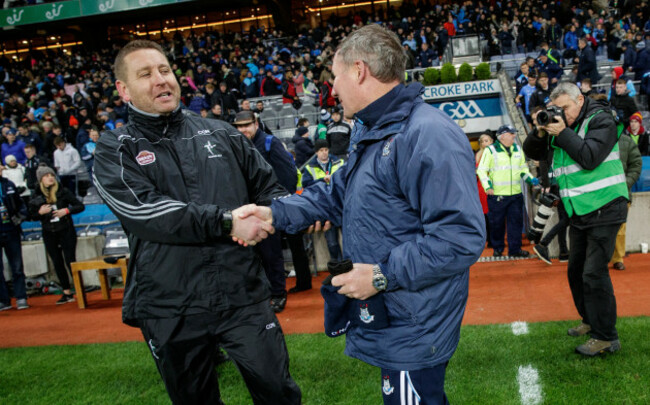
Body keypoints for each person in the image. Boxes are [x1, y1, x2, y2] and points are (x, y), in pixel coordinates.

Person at [238, 25, 485, 404]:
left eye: (334, 77)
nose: (332, 89)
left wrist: (383, 275)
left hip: (413, 319)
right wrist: (274, 213)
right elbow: (341, 192)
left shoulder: (427, 133)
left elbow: (460, 237)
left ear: (358, 71)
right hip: (398, 312)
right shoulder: (373, 129)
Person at [92, 40, 301, 404]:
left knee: (278, 392)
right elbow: (146, 212)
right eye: (145, 74)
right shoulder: (115, 148)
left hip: (243, 293)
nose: (160, 80)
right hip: (169, 304)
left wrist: (272, 215)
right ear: (123, 89)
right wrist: (227, 222)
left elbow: (270, 187)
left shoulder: (221, 132)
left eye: (164, 70)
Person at [523, 82, 628, 356]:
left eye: (566, 108)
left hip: (606, 205)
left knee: (594, 272)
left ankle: (606, 337)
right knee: (575, 270)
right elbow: (532, 151)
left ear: (580, 100)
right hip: (580, 210)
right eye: (557, 109)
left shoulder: (601, 118)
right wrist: (540, 129)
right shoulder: (561, 125)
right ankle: (590, 320)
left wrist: (563, 132)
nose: (562, 114)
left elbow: (590, 157)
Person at [232, 110, 304, 311]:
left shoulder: (269, 143)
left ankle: (278, 293)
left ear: (256, 123)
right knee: (254, 255)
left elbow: (289, 175)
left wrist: (278, 205)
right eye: (239, 126)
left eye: (246, 125)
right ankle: (263, 294)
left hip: (267, 208)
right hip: (247, 209)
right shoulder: (237, 145)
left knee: (271, 254)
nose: (242, 129)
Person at [477, 125, 538, 258]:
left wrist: (531, 180)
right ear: (502, 136)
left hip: (515, 195)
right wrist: (488, 187)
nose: (514, 136)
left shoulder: (518, 149)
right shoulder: (490, 150)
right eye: (511, 133)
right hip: (497, 195)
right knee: (497, 223)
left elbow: (523, 170)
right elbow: (481, 170)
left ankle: (515, 249)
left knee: (516, 223)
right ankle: (498, 248)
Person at [28, 165, 85, 305]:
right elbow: (31, 215)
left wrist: (66, 211)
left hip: (66, 230)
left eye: (52, 175)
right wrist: (40, 213)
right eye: (47, 176)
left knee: (70, 260)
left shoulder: (63, 191)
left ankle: (79, 290)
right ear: (41, 179)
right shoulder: (36, 195)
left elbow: (80, 205)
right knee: (57, 262)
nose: (50, 178)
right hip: (49, 232)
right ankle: (66, 292)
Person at [302, 139, 344, 262]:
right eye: (321, 150)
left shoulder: (339, 162)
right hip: (326, 209)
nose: (324, 153)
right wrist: (322, 181)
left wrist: (334, 179)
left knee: (349, 241)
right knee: (332, 243)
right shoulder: (310, 168)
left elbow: (346, 177)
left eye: (326, 149)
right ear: (316, 152)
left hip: (341, 205)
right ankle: (338, 268)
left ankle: (350, 268)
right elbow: (306, 186)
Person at [609, 129, 642, 270]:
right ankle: (600, 259)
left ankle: (618, 259)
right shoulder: (594, 141)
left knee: (620, 228)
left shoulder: (626, 141)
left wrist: (625, 183)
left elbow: (636, 164)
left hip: (622, 194)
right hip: (598, 194)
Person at [0, 167, 29, 311]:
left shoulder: (8, 185)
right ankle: (3, 300)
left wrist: (20, 217)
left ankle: (21, 297)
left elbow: (21, 205)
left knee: (17, 266)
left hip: (11, 230)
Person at [475, 133, 493, 247]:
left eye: (487, 141)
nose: (485, 143)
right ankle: (487, 238)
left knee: (494, 214)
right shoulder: (478, 155)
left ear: (491, 141)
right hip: (481, 187)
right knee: (484, 215)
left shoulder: (496, 153)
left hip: (493, 186)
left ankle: (494, 239)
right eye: (483, 141)